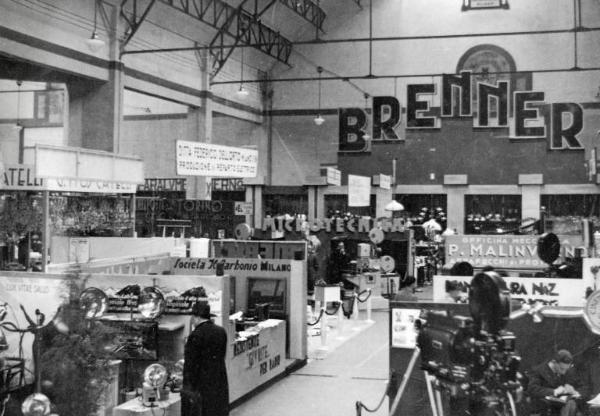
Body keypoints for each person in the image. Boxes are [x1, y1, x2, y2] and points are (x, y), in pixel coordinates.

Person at [182, 300, 229, 416]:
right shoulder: (221, 331)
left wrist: (188, 386)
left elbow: (191, 364)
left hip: (201, 383)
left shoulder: (195, 335)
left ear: (196, 317)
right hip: (219, 378)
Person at [527, 349, 588, 416]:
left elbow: (584, 387)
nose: (564, 372)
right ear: (554, 362)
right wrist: (554, 391)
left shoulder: (569, 371)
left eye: (566, 369)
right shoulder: (538, 371)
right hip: (545, 411)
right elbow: (532, 390)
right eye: (561, 369)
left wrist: (574, 391)